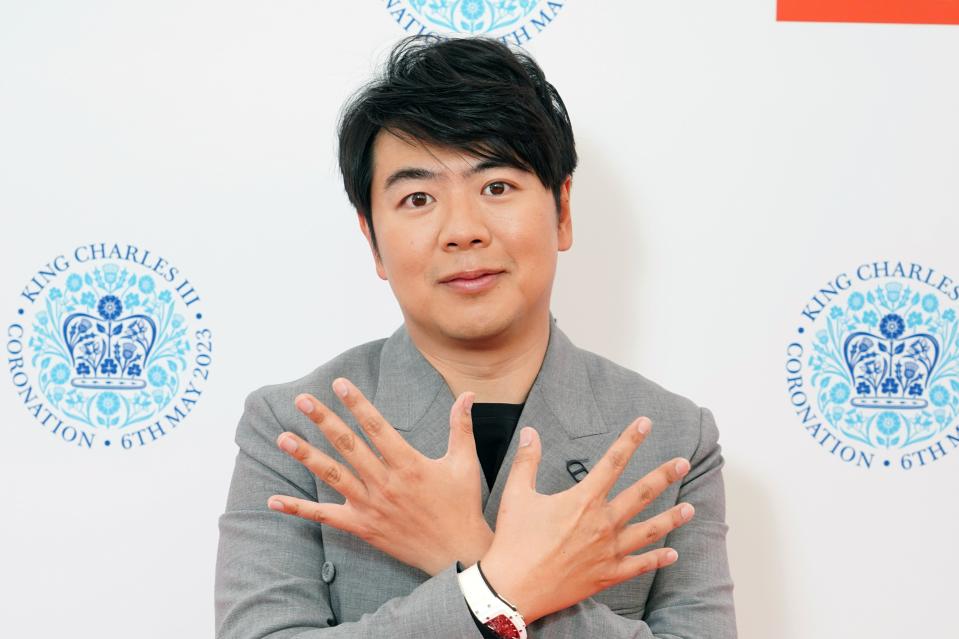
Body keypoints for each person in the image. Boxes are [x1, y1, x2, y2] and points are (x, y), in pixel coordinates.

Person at [214, 34, 737, 639]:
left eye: (496, 187)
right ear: (372, 239)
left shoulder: (673, 437)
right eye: (418, 197)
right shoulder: (295, 426)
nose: (462, 230)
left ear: (562, 210)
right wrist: (497, 585)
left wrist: (466, 552)